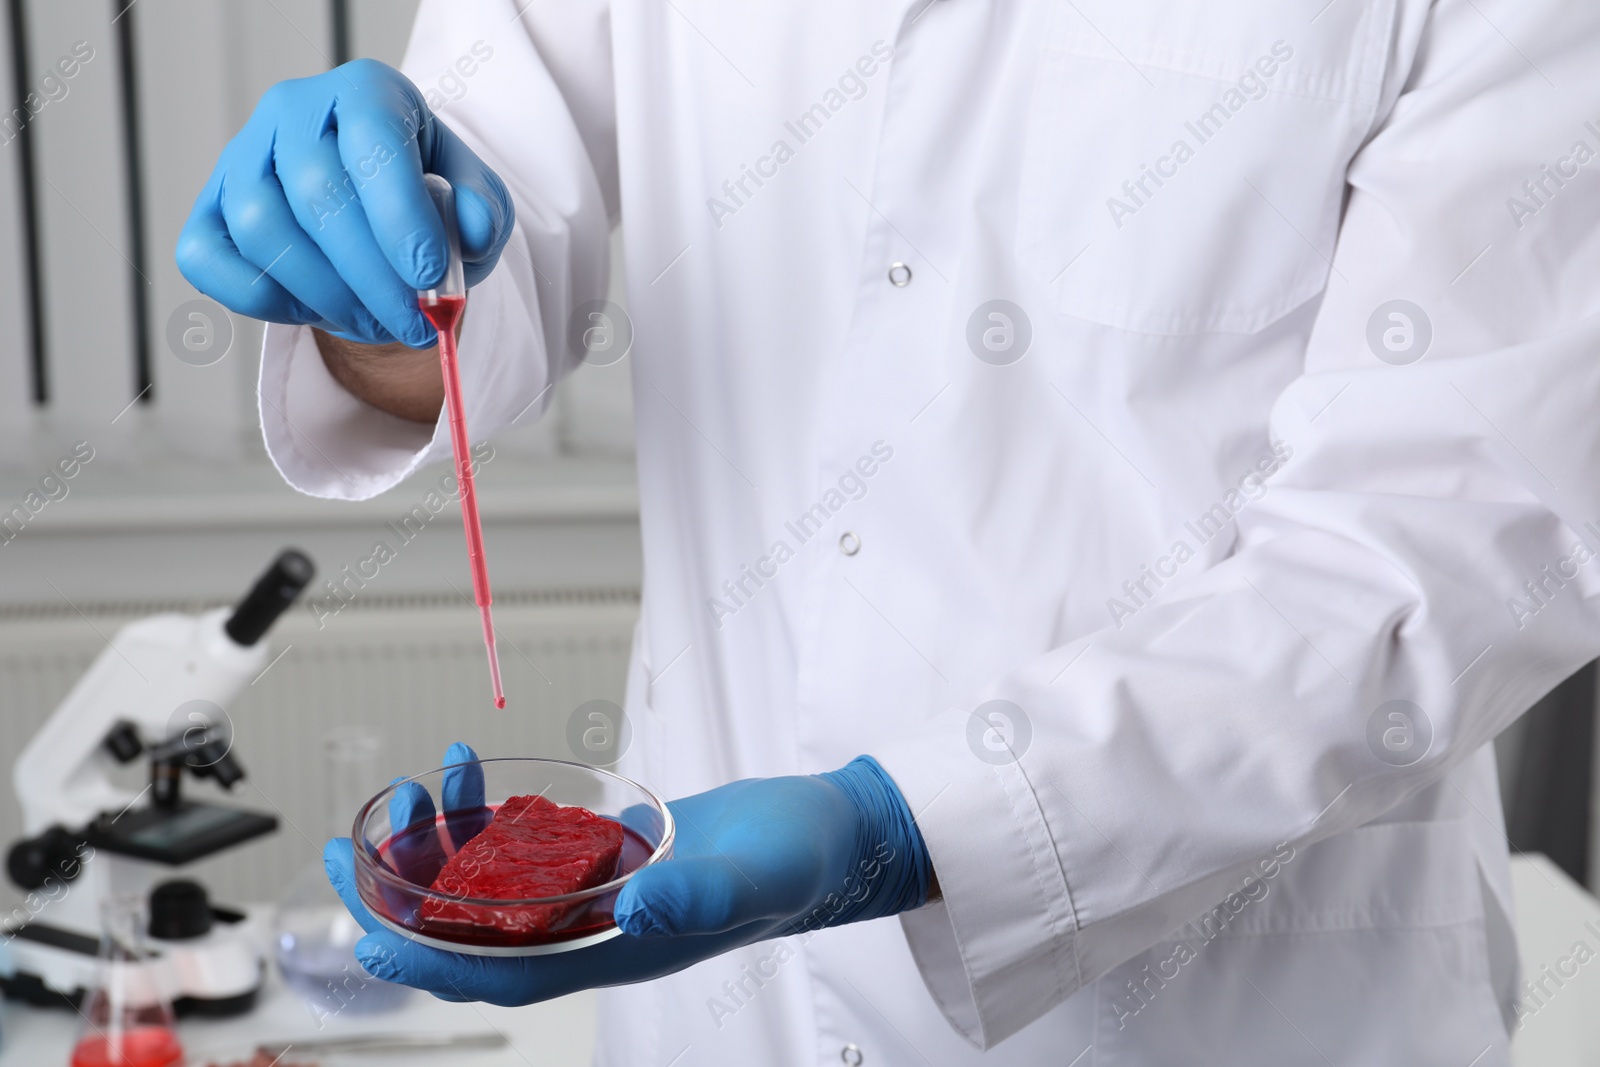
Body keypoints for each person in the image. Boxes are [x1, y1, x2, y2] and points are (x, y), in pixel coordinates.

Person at [177, 1, 1600, 1063]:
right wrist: (358, 266)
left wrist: (911, 829)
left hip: (1238, 1009)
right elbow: (479, 257)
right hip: (720, 1014)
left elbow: (1448, 537)